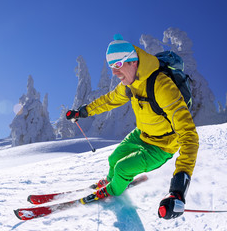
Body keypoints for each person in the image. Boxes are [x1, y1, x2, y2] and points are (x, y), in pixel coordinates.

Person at [66, 34, 199, 220]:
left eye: (118, 65)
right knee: (114, 159)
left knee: (121, 168)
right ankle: (113, 182)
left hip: (161, 146)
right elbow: (109, 100)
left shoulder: (162, 86)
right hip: (142, 134)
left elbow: (189, 135)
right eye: (112, 67)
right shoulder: (130, 83)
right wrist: (82, 112)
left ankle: (113, 190)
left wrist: (178, 189)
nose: (114, 72)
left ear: (133, 62)